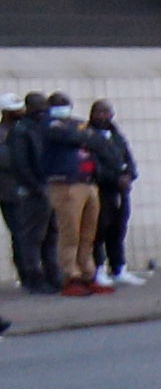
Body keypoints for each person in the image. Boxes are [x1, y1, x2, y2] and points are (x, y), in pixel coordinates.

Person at [37, 99, 102, 300]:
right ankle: (70, 275)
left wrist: (82, 135)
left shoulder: (76, 123)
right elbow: (69, 136)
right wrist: (83, 136)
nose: (64, 107)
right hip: (65, 184)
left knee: (88, 233)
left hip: (87, 182)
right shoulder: (48, 124)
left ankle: (87, 273)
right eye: (59, 103)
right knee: (69, 232)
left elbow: (96, 139)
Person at [2, 97, 57, 296]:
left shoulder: (32, 128)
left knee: (48, 235)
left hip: (38, 190)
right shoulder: (15, 132)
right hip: (19, 192)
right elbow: (16, 163)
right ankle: (32, 278)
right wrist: (35, 185)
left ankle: (51, 275)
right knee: (28, 238)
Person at [82, 102, 131, 284]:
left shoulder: (116, 136)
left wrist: (129, 175)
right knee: (98, 231)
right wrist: (113, 178)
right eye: (99, 112)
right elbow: (91, 165)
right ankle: (98, 269)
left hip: (121, 190)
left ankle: (119, 268)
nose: (103, 116)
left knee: (118, 229)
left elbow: (128, 158)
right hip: (101, 190)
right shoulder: (87, 136)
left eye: (107, 112)